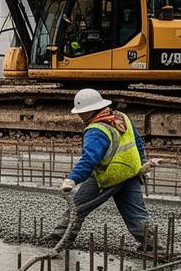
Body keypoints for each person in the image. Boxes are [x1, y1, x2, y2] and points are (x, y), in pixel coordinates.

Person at [48, 89, 156, 252]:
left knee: (79, 206)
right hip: (131, 172)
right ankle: (152, 245)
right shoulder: (121, 117)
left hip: (109, 175)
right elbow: (137, 142)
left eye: (82, 112)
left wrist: (72, 179)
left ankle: (60, 237)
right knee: (135, 211)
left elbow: (89, 159)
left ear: (90, 110)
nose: (80, 116)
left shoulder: (97, 130)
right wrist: (143, 163)